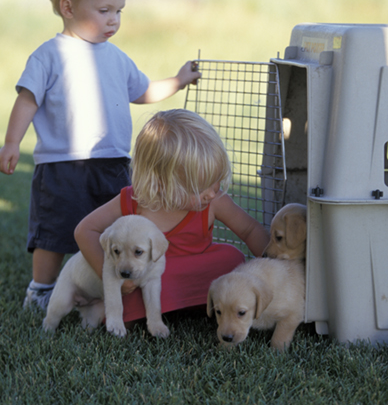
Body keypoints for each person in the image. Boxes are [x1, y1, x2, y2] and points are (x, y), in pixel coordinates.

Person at [0, 0, 201, 311]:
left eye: (119, 11)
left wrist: (178, 80)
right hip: (62, 165)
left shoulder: (117, 57)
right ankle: (41, 289)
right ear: (68, 8)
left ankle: (109, 290)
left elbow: (143, 91)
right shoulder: (49, 55)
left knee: (116, 232)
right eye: (104, 11)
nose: (114, 20)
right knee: (54, 232)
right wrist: (12, 143)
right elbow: (27, 100)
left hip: (113, 163)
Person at [74, 109, 270, 325]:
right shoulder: (133, 201)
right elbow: (85, 231)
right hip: (149, 278)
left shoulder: (215, 201)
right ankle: (148, 307)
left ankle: (179, 304)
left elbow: (249, 230)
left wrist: (274, 268)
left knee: (232, 258)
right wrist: (110, 277)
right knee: (147, 280)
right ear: (160, 185)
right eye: (200, 187)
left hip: (193, 270)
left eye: (216, 180)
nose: (213, 192)